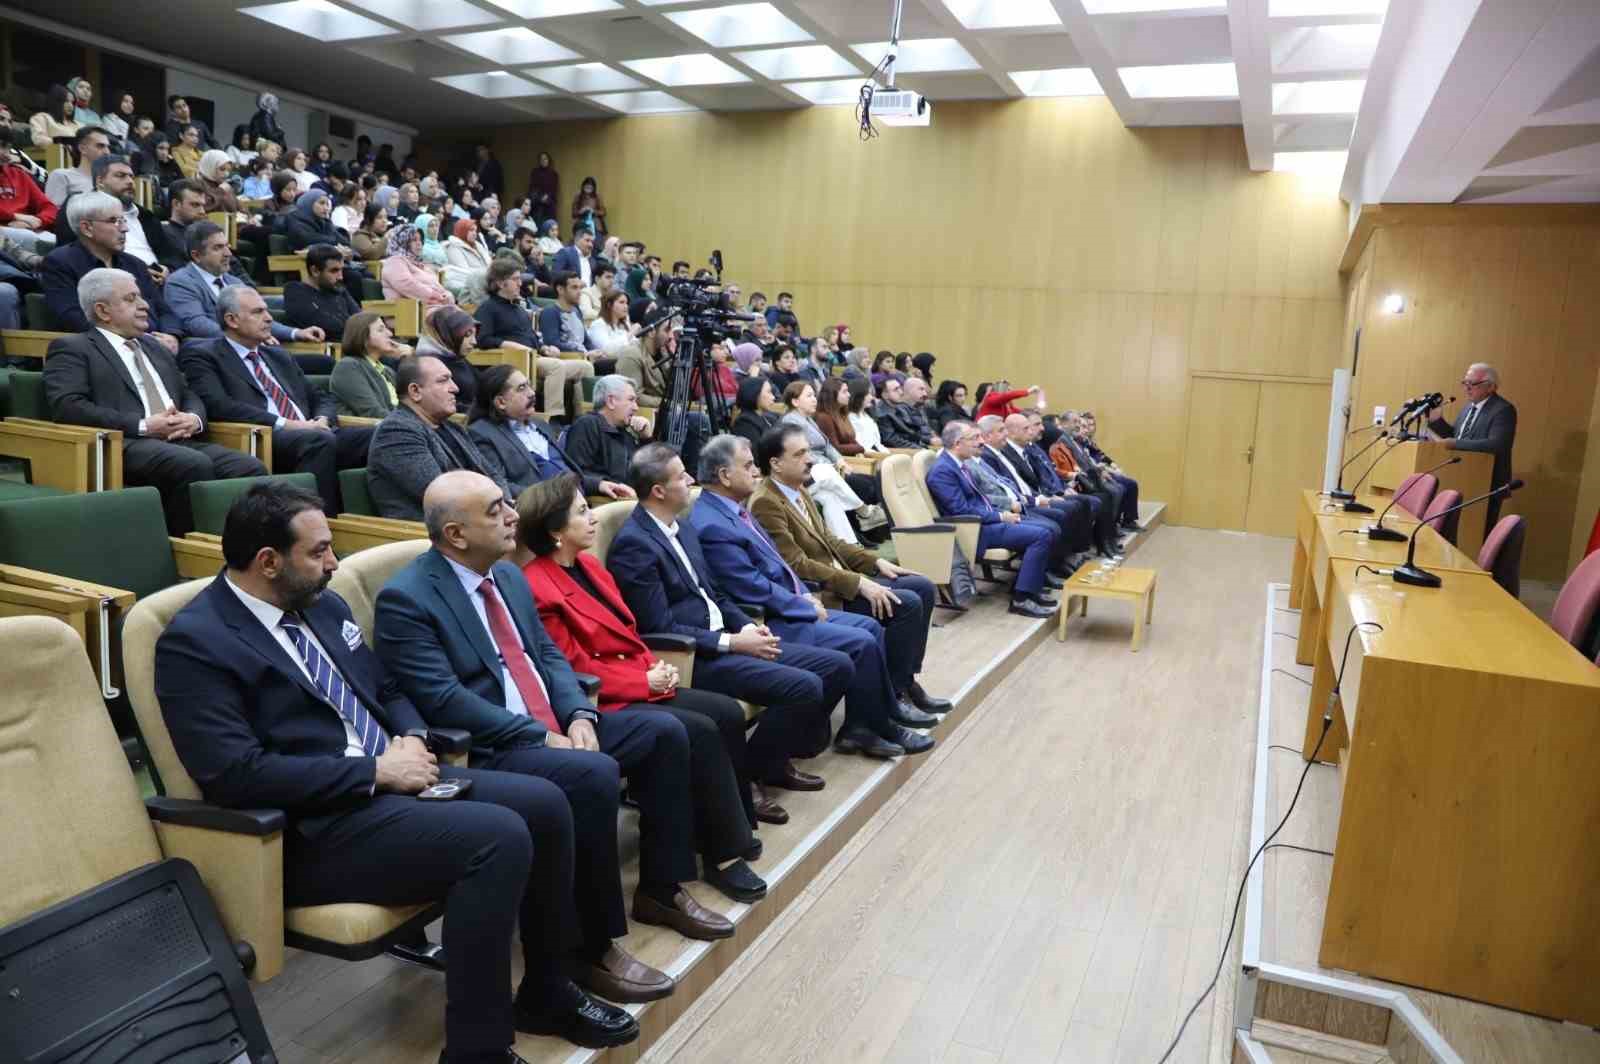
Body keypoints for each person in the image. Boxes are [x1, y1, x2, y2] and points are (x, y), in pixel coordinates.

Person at [156, 482, 643, 1053]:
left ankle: (547, 990)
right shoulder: (195, 644)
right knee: (499, 837)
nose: (334, 564)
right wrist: (375, 773)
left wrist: (410, 736)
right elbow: (235, 774)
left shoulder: (319, 604)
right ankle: (476, 1048)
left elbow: (383, 685)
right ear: (268, 562)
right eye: (319, 552)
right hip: (313, 827)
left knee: (547, 803)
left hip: (389, 782)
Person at [375, 470, 738, 943]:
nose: (512, 515)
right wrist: (540, 735)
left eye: (507, 502)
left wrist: (579, 714)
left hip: (555, 722)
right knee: (593, 774)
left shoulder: (505, 574)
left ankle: (660, 890)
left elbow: (546, 655)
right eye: (495, 510)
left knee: (665, 734)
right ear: (455, 535)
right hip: (495, 744)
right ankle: (592, 945)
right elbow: (443, 698)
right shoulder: (406, 598)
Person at [514, 475, 768, 901]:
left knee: (723, 711)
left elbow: (630, 634)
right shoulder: (537, 585)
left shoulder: (590, 566)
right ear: (555, 531)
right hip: (602, 701)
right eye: (581, 512)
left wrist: (657, 667)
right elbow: (571, 665)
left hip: (638, 680)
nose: (593, 516)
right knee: (698, 728)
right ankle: (724, 853)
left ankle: (725, 828)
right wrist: (641, 680)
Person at [607, 444, 848, 806]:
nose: (691, 480)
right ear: (658, 490)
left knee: (836, 665)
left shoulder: (683, 529)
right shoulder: (634, 545)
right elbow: (659, 627)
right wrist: (732, 643)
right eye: (681, 476)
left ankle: (766, 762)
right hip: (694, 656)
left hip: (729, 637)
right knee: (804, 686)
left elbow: (715, 593)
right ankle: (746, 776)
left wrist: (746, 627)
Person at [688, 435, 934, 758]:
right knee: (863, 638)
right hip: (767, 618)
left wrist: (805, 594)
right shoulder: (714, 522)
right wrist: (801, 601)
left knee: (874, 626)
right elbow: (749, 585)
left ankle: (871, 720)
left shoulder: (734, 509)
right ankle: (876, 722)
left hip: (793, 601)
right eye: (748, 466)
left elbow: (779, 565)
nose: (755, 472)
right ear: (723, 475)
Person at [43, 268, 265, 533]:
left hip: (180, 438)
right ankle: (185, 546)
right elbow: (68, 406)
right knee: (191, 465)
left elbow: (188, 393)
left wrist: (193, 419)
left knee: (249, 467)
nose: (144, 305)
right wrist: (143, 425)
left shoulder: (154, 346)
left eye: (141, 297)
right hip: (124, 442)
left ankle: (241, 542)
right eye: (131, 299)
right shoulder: (73, 348)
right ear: (103, 311)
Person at [752, 423, 951, 717]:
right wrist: (858, 582)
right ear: (776, 463)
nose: (810, 459)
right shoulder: (765, 503)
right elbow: (795, 565)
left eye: (809, 451)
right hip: (821, 592)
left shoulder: (796, 488)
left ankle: (904, 682)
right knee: (906, 604)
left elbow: (829, 540)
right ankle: (892, 697)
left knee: (920, 585)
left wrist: (873, 562)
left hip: (838, 576)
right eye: (801, 453)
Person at [179, 286, 369, 511]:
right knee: (318, 442)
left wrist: (322, 420)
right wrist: (290, 425)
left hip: (313, 428)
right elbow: (219, 405)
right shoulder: (202, 354)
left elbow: (320, 396)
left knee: (376, 435)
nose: (269, 318)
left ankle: (376, 520)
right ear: (232, 320)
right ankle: (318, 522)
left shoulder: (277, 355)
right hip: (263, 435)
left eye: (267, 311)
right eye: (258, 312)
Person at [927, 421, 1060, 618]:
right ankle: (1022, 599)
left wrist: (1001, 512)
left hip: (986, 521)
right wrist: (1000, 515)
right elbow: (962, 510)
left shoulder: (959, 464)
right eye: (974, 438)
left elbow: (980, 500)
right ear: (957, 443)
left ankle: (1030, 587)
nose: (980, 441)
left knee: (1047, 528)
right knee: (1040, 535)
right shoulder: (942, 471)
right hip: (973, 530)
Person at [366, 354, 508, 521]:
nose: (455, 388)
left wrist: (505, 505)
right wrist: (499, 509)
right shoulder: (396, 432)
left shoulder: (454, 429)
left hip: (478, 519)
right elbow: (443, 494)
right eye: (443, 380)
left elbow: (491, 473)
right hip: (433, 534)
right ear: (415, 391)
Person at [467, 364, 632, 501]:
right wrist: (549, 497)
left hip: (575, 503)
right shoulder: (482, 433)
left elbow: (566, 471)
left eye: (529, 385)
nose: (532, 393)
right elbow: (498, 485)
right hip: (540, 513)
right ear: (501, 402)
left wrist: (598, 484)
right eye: (522, 388)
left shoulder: (542, 425)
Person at [41, 191, 181, 340]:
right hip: (104, 348)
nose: (125, 228)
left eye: (123, 220)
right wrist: (136, 338)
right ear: (87, 228)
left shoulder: (135, 264)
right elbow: (73, 317)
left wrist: (171, 336)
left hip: (153, 342)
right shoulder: (60, 263)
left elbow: (164, 311)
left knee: (197, 349)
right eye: (114, 221)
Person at [971, 414, 1096, 569]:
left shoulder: (999, 453)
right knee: (1057, 519)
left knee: (1081, 504)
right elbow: (986, 496)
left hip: (1025, 499)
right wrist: (1035, 500)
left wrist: (1046, 495)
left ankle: (1068, 558)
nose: (1006, 434)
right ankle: (1054, 566)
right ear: (988, 435)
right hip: (1009, 509)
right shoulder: (986, 457)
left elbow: (1016, 483)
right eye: (1002, 430)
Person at [166, 221, 323, 344]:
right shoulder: (180, 282)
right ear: (196, 255)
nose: (228, 253)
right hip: (216, 353)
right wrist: (245, 338)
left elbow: (259, 317)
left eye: (227, 246)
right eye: (218, 248)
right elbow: (197, 324)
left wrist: (296, 333)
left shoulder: (233, 281)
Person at [477, 261, 594, 422]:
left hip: (535, 358)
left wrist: (545, 348)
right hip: (513, 361)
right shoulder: (488, 308)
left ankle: (583, 417)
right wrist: (508, 345)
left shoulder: (518, 309)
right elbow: (482, 338)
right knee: (556, 366)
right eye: (515, 279)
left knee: (585, 367)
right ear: (499, 283)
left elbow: (532, 337)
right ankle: (554, 418)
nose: (520, 283)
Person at [1444, 362, 1517, 534]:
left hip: (1486, 485)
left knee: (1477, 535)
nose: (1467, 388)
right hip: (1459, 478)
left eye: (1473, 384)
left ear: (1491, 386)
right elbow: (1457, 437)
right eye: (1465, 383)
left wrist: (1453, 443)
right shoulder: (1467, 408)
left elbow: (1497, 444)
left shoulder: (1503, 410)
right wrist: (1436, 421)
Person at [331, 311, 408, 418]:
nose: (390, 334)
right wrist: (411, 424)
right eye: (381, 330)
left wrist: (410, 358)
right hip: (368, 430)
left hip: (396, 425)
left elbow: (412, 404)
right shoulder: (348, 367)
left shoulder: (387, 370)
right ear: (364, 337)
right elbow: (372, 413)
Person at [1076, 411, 1141, 531]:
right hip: (1095, 473)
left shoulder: (1089, 441)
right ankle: (1115, 525)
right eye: (1085, 425)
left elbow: (1101, 455)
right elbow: (1090, 463)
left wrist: (1113, 465)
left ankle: (1126, 520)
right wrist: (1107, 469)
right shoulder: (1078, 442)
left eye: (1092, 425)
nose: (1090, 428)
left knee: (1130, 484)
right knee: (1124, 486)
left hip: (1101, 470)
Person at [282, 242, 361, 338]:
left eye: (341, 270)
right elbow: (331, 326)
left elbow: (360, 318)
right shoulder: (295, 292)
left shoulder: (337, 289)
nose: (341, 277)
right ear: (315, 271)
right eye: (334, 271)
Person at [416, 305, 482, 413]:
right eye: (467, 335)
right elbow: (441, 405)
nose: (474, 342)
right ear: (449, 333)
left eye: (474, 335)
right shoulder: (430, 364)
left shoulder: (455, 357)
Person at [0, 126, 57, 250]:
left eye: (8, 148)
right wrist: (15, 216)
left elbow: (50, 207)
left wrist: (38, 221)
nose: (7, 155)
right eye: (2, 146)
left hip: (28, 230)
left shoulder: (19, 174)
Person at [382, 221, 455, 308]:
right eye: (414, 240)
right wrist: (437, 296)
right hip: (410, 313)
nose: (419, 243)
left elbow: (437, 286)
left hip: (434, 307)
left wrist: (447, 295)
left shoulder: (420, 264)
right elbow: (407, 285)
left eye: (420, 240)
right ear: (403, 241)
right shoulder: (395, 261)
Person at [44, 124, 109, 207]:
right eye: (100, 146)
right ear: (82, 149)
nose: (107, 152)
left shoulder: (109, 180)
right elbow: (54, 213)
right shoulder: (62, 175)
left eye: (107, 147)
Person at [443, 217, 492, 303]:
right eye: (471, 230)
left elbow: (490, 264)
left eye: (475, 230)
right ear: (462, 231)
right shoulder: (453, 247)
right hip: (472, 284)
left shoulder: (478, 245)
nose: (474, 233)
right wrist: (485, 274)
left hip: (486, 280)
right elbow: (464, 272)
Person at [731, 375, 781, 450]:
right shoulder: (745, 423)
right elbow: (755, 454)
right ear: (755, 394)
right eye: (769, 392)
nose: (773, 397)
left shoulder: (767, 417)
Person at [846, 377, 889, 454]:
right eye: (868, 394)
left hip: (878, 454)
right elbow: (861, 446)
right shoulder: (850, 418)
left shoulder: (868, 416)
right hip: (866, 459)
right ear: (858, 395)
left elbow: (877, 444)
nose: (871, 397)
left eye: (872, 394)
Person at [527, 151, 558, 225]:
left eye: (545, 159)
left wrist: (547, 196)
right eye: (541, 159)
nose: (543, 161)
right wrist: (540, 198)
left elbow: (554, 189)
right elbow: (532, 187)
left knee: (549, 225)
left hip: (549, 203)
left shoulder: (553, 174)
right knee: (537, 225)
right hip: (537, 204)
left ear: (549, 160)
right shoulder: (535, 172)